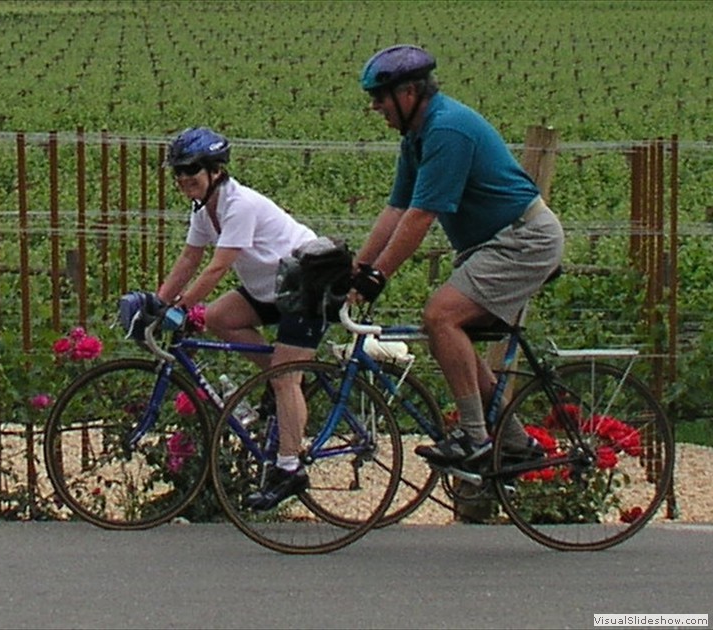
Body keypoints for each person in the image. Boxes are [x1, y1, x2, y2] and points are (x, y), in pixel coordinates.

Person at [350, 45, 565, 468]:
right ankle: (515, 440)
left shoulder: (447, 130)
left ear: (409, 93)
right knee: (452, 337)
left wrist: (379, 276)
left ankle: (475, 438)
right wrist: (359, 269)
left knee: (441, 316)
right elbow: (395, 210)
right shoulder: (417, 137)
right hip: (492, 244)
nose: (375, 107)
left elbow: (420, 216)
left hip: (523, 239)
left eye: (380, 97)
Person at [156, 126, 325, 509]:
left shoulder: (239, 204)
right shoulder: (205, 208)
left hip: (305, 285)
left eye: (191, 170)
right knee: (218, 317)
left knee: (282, 377)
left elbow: (217, 268)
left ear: (216, 170)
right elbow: (189, 259)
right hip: (271, 286)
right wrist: (157, 302)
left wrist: (178, 308)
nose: (183, 179)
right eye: (177, 172)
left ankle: (289, 469)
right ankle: (286, 380)